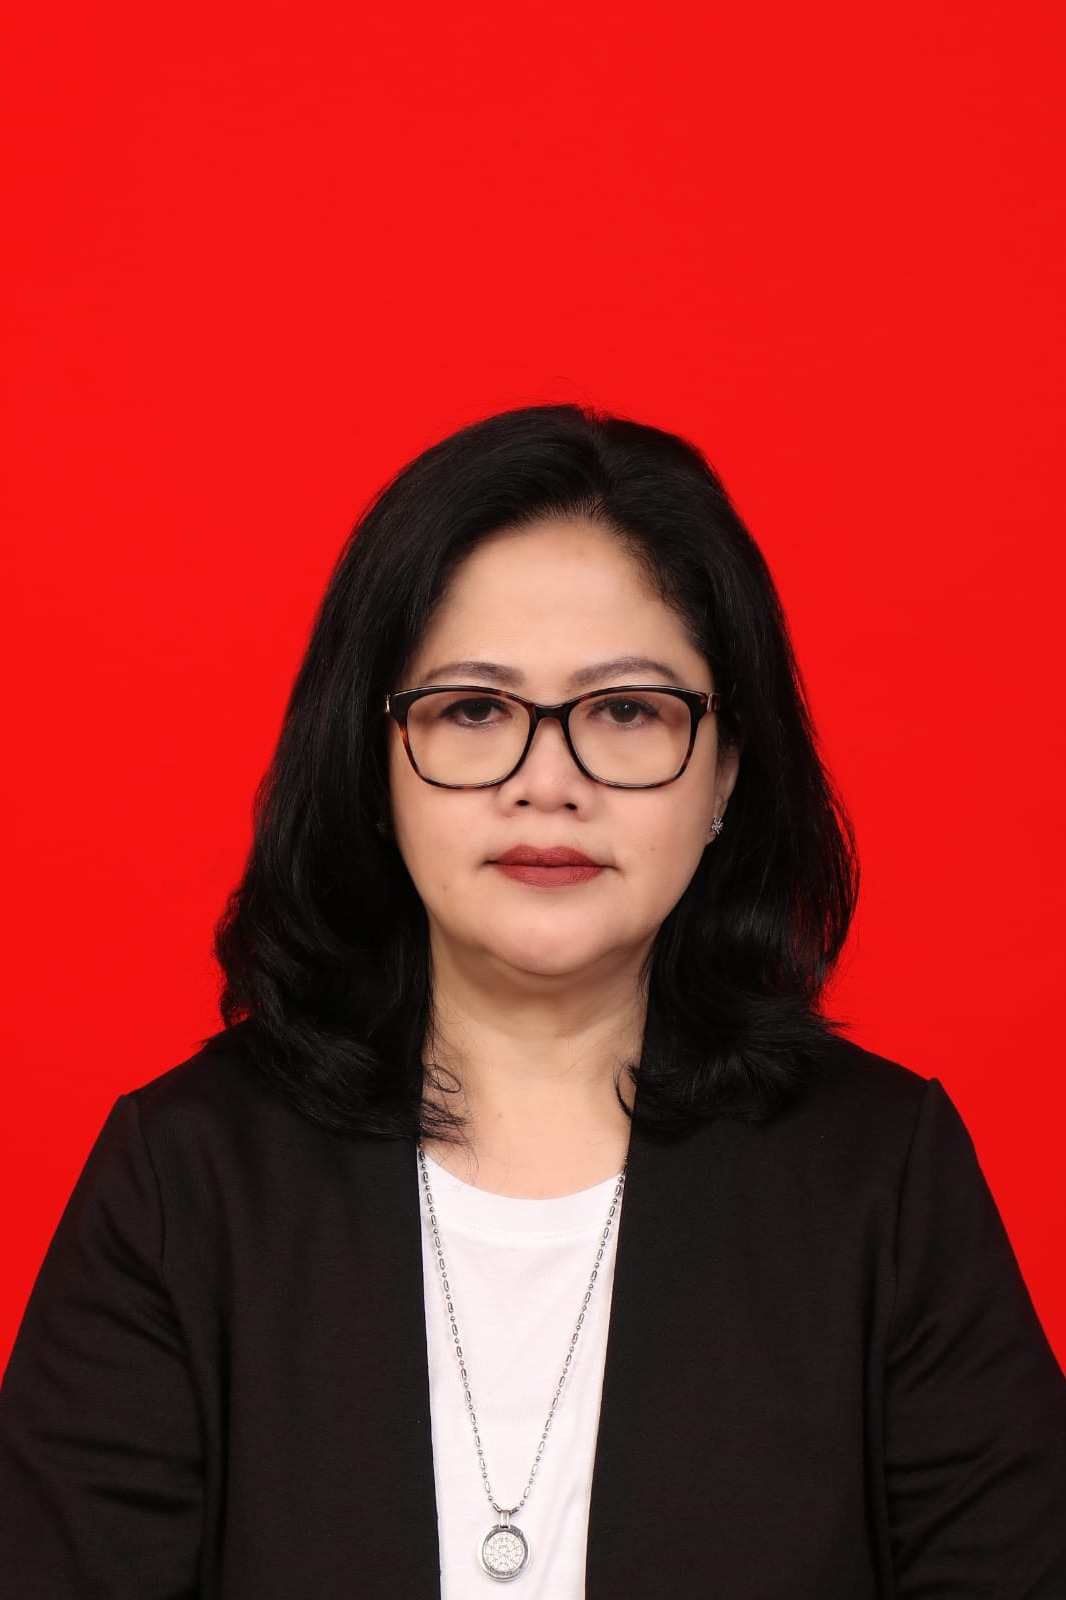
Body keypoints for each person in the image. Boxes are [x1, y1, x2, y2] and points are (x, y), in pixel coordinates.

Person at [1, 404, 1064, 1599]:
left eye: (626, 710)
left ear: (725, 769)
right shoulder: (183, 1178)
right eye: (473, 709)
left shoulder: (884, 1175)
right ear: (374, 760)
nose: (546, 782)